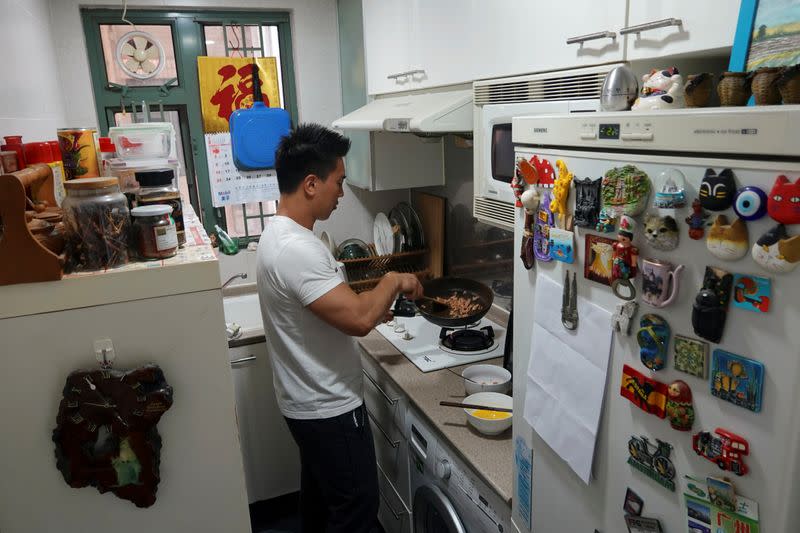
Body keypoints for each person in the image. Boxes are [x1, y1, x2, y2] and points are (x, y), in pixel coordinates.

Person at [255, 123, 423, 533]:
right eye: (339, 182)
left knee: (320, 507)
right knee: (355, 513)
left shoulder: (278, 235)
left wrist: (365, 306)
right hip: (328, 410)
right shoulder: (297, 249)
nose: (341, 193)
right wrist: (393, 280)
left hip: (304, 404)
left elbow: (335, 312)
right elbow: (360, 320)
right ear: (311, 184)